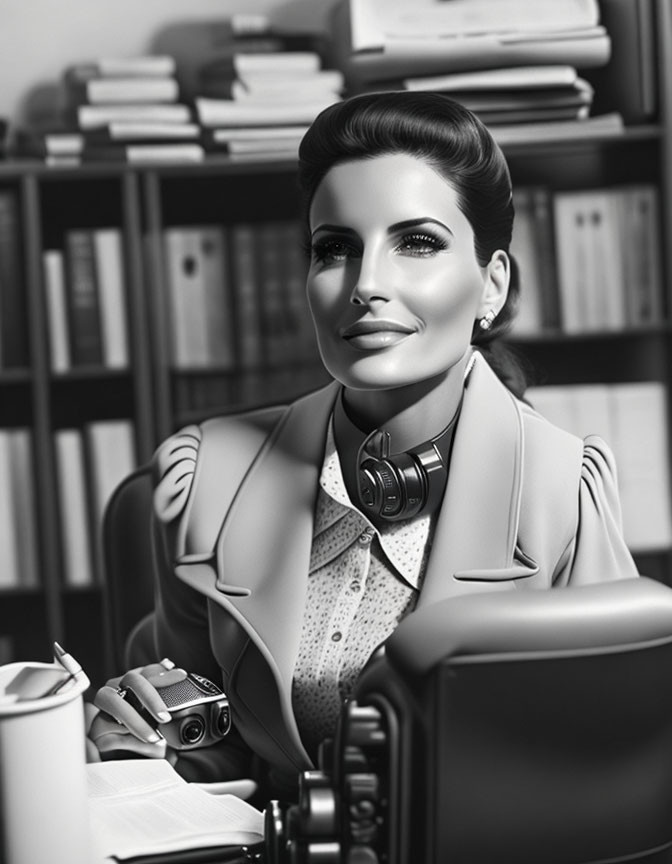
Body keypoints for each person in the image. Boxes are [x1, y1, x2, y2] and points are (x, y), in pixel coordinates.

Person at [87, 91, 639, 797]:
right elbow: (213, 747)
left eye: (417, 243)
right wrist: (139, 748)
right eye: (335, 249)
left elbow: (614, 769)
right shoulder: (212, 483)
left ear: (491, 286)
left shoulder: (565, 493)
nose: (366, 285)